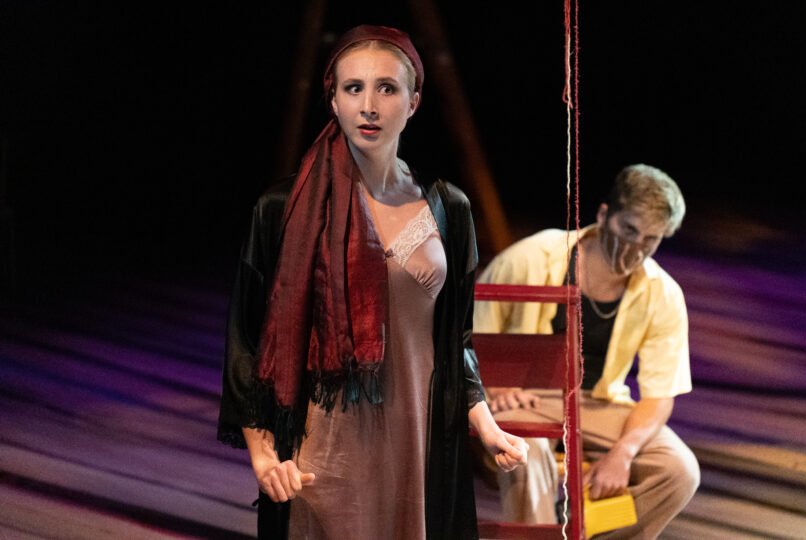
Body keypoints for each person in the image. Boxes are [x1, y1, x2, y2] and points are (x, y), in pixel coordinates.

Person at [217, 25, 528, 539]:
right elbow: (246, 341)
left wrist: (487, 426)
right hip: (320, 450)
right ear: (333, 101)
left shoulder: (447, 208)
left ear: (413, 101)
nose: (369, 105)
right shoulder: (283, 211)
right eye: (353, 88)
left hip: (418, 443)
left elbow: (456, 341)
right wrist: (264, 455)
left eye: (387, 88)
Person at [474, 164, 700, 538]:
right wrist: (494, 387)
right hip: (521, 397)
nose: (635, 247)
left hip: (596, 403)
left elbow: (660, 395)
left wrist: (623, 453)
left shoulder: (663, 293)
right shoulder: (533, 255)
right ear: (604, 214)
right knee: (525, 448)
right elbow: (467, 333)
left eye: (650, 240)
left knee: (679, 471)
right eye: (629, 230)